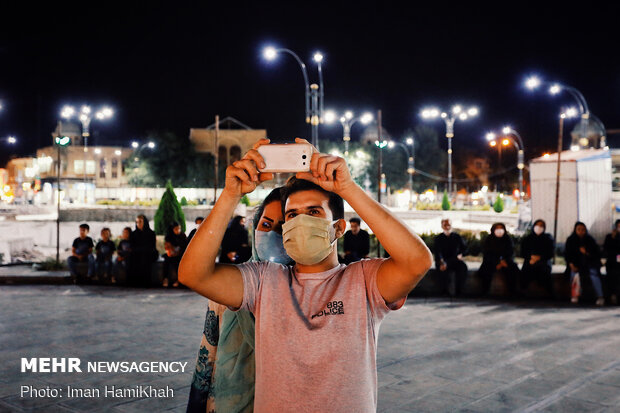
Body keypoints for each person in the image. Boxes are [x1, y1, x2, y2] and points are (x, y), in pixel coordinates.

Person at [179, 138, 432, 412]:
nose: (300, 221)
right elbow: (193, 274)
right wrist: (231, 194)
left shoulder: (363, 281)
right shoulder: (264, 281)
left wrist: (347, 188)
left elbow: (417, 261)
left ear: (338, 228)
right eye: (292, 215)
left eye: (313, 212)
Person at [186, 187, 292, 413]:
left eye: (283, 227)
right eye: (266, 225)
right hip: (229, 401)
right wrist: (231, 193)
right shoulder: (233, 283)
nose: (273, 234)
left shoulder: (317, 289)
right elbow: (208, 353)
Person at [565, 221, 604, 306]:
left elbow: (597, 254)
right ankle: (575, 295)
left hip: (590, 264)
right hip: (576, 265)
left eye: (583, 229)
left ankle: (600, 296)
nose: (581, 231)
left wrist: (586, 252)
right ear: (575, 230)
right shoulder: (571, 240)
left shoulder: (590, 240)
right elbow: (567, 254)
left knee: (594, 275)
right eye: (578, 229)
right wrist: (571, 264)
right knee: (574, 275)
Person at [477, 222, 520, 296]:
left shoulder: (507, 239)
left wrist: (504, 261)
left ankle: (513, 291)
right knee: (487, 270)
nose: (499, 230)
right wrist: (497, 262)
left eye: (501, 228)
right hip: (491, 262)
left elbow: (510, 252)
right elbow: (487, 254)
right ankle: (484, 291)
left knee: (512, 269)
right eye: (497, 228)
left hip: (505, 262)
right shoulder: (489, 239)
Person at [519, 219, 555, 297]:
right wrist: (531, 257)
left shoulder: (548, 238)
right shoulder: (528, 238)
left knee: (544, 271)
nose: (539, 227)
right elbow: (523, 252)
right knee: (525, 271)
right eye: (537, 225)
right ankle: (522, 292)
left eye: (541, 226)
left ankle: (550, 294)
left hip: (544, 261)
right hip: (530, 261)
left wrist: (539, 258)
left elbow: (550, 253)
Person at [433, 218, 468, 296]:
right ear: (442, 226)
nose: (447, 227)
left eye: (449, 225)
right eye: (445, 225)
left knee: (463, 267)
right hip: (443, 261)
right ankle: (444, 292)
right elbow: (437, 252)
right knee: (441, 270)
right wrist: (442, 262)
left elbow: (465, 249)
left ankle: (459, 291)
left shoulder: (457, 237)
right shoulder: (438, 238)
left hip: (455, 260)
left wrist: (461, 255)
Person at [129, 214, 158, 287]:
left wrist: (141, 249)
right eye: (137, 222)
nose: (138, 224)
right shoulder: (133, 234)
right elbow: (132, 246)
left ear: (145, 222)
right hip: (137, 252)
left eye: (140, 222)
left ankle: (145, 282)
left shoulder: (151, 233)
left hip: (148, 252)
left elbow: (151, 246)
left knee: (145, 257)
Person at [162, 221, 187, 288]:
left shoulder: (182, 235)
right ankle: (165, 279)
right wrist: (172, 252)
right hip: (171, 254)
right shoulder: (168, 237)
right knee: (166, 261)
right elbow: (167, 248)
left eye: (179, 228)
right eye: (176, 229)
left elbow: (184, 247)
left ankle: (178, 280)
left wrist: (177, 252)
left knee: (178, 262)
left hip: (180, 254)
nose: (178, 230)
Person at [602, 219, 620, 305]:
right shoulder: (609, 237)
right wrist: (613, 237)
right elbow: (606, 249)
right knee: (611, 278)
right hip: (612, 262)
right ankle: (611, 296)